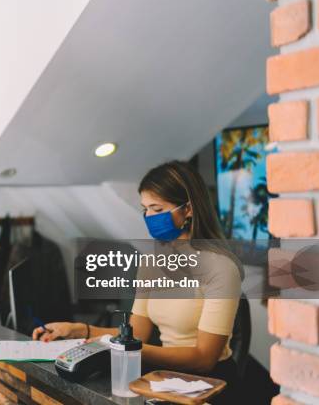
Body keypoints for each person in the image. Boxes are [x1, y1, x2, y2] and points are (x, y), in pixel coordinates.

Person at [33, 161, 241, 401]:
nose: (149, 217)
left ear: (189, 209)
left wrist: (125, 348)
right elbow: (137, 332)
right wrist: (77, 330)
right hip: (166, 378)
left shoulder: (222, 268)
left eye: (156, 208)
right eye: (145, 209)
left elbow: (204, 359)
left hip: (209, 385)